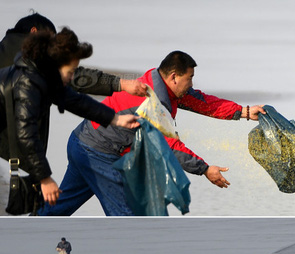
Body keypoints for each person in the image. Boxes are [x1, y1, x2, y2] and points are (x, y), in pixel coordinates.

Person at [39, 50, 266, 216]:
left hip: (81, 141)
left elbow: (203, 102)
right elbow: (170, 147)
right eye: (190, 78)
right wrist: (205, 169)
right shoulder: (153, 103)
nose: (191, 83)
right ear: (174, 76)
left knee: (60, 207)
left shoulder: (157, 81)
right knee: (127, 216)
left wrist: (244, 111)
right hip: (98, 153)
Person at [0, 27, 141, 208]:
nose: (73, 76)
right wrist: (45, 178)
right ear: (56, 64)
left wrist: (116, 119)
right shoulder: (29, 83)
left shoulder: (45, 76)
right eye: (71, 71)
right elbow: (27, 134)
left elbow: (78, 102)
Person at [0, 12, 147, 94]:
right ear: (34, 32)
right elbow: (76, 77)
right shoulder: (35, 59)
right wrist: (120, 83)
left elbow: (73, 101)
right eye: (50, 39)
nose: (52, 47)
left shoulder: (4, 49)